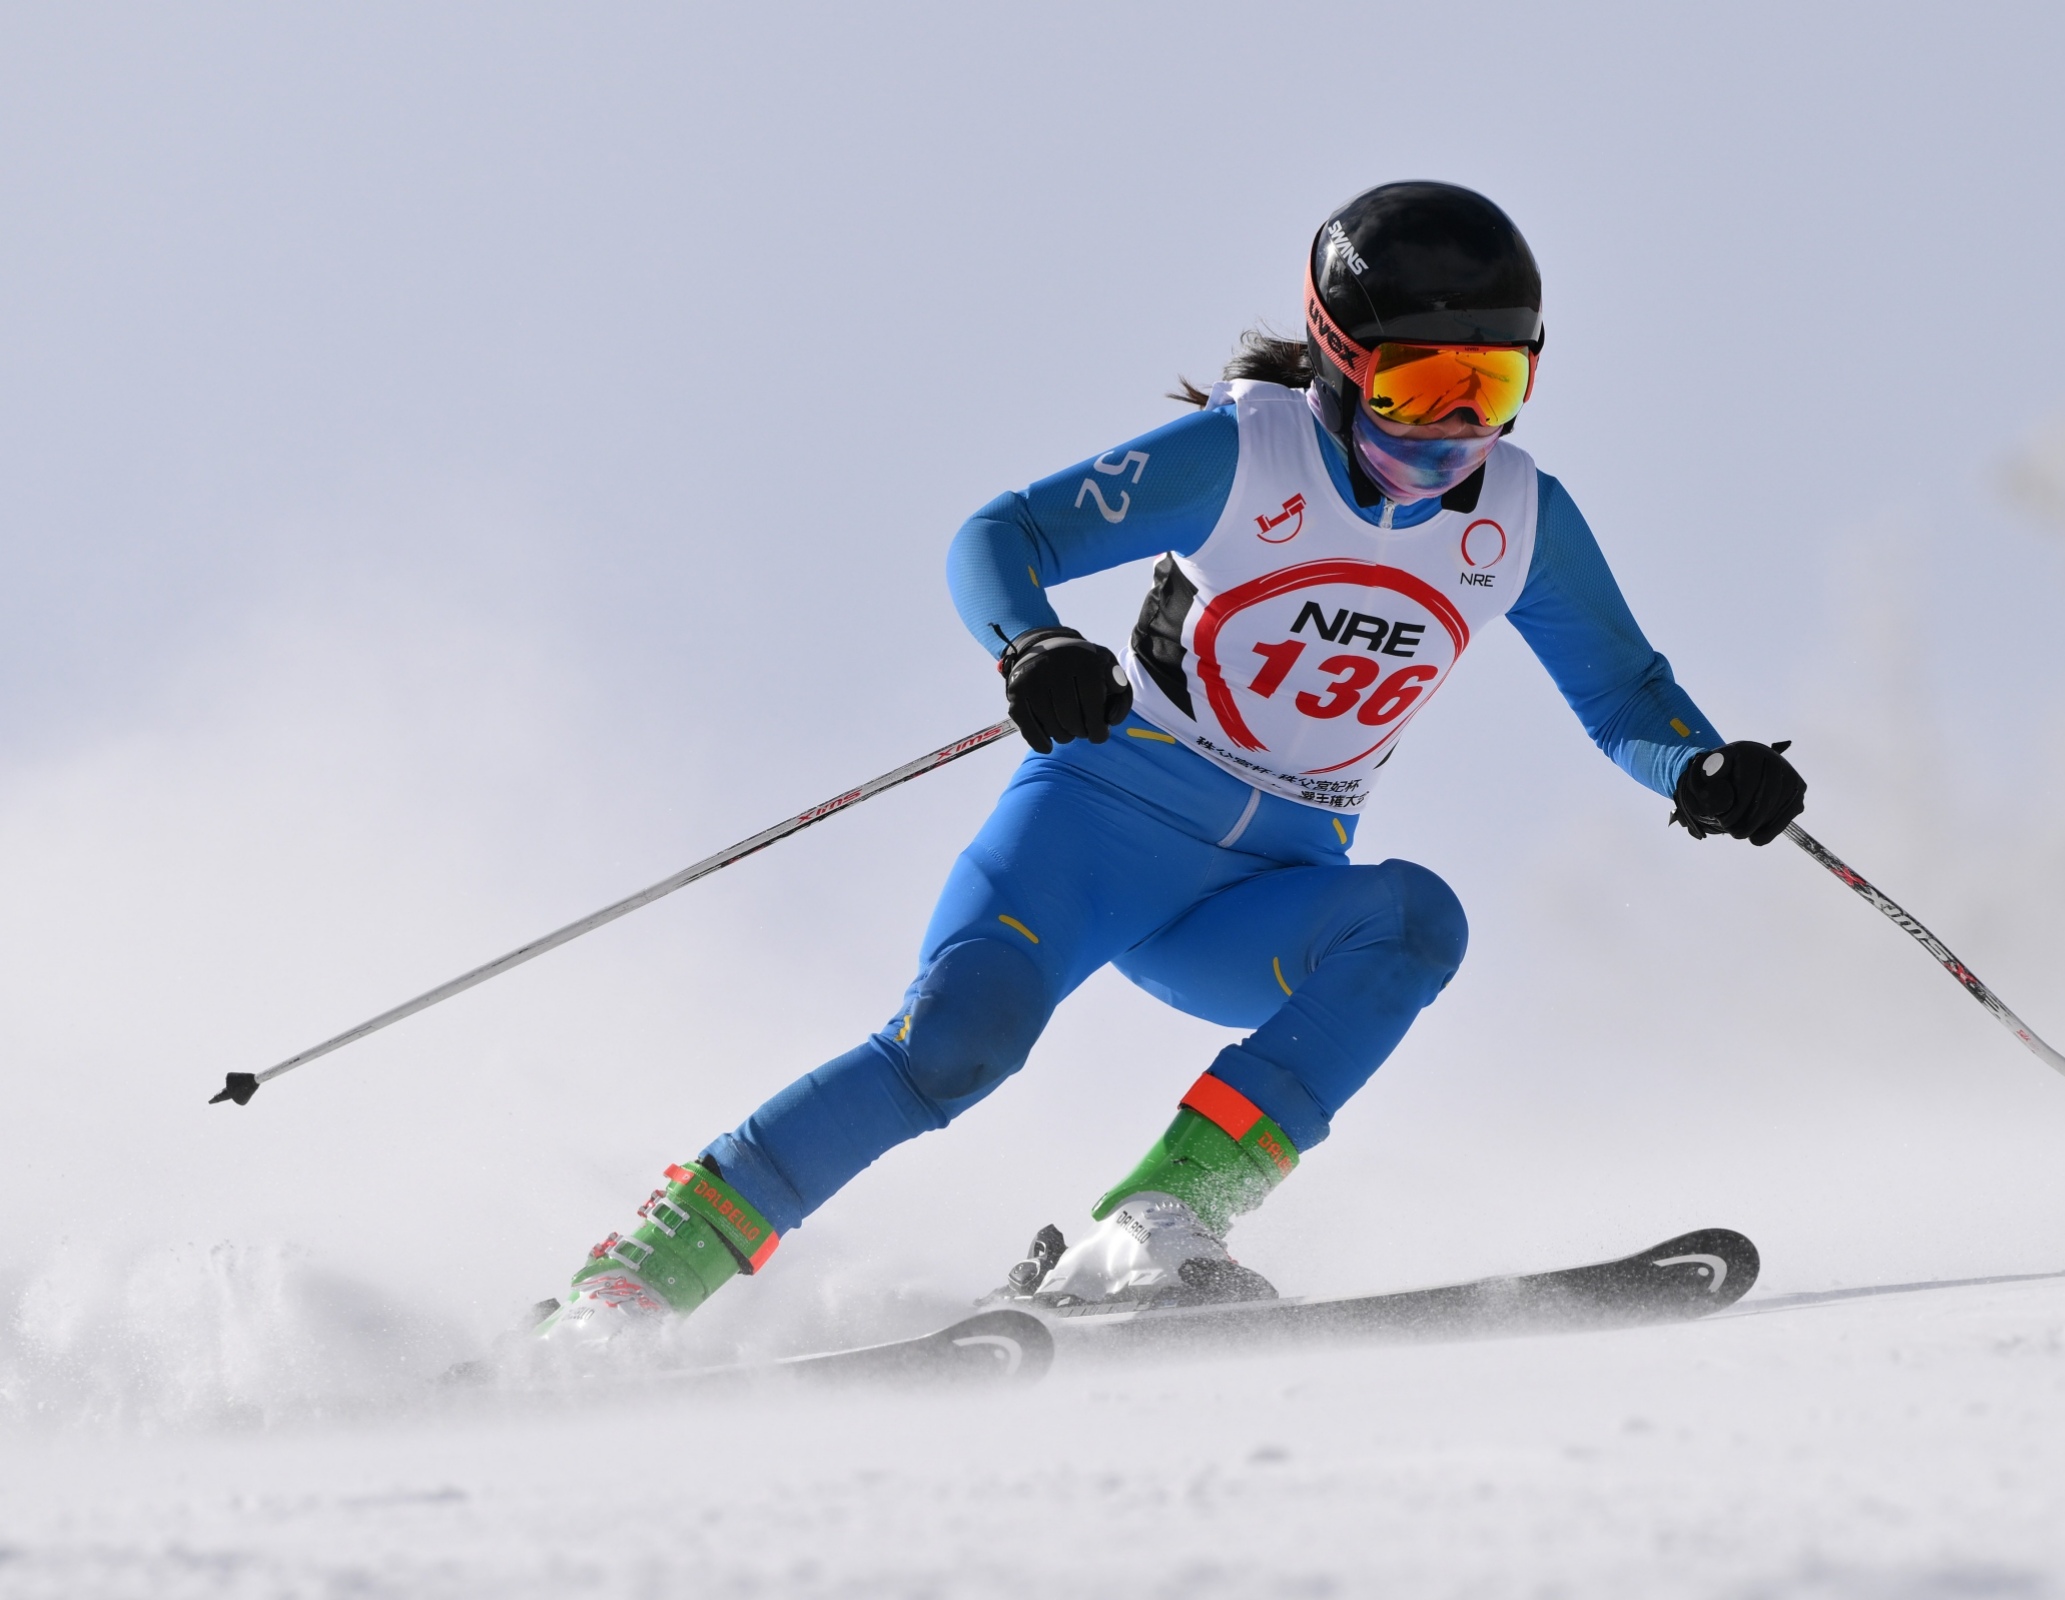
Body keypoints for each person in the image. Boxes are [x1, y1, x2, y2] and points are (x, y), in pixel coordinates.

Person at [537, 181, 1806, 1339]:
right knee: (958, 1045)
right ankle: (636, 1278)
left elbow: (1623, 691)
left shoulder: (1520, 519)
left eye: (1495, 385)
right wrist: (1033, 643)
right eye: (1420, 389)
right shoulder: (1247, 456)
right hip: (1096, 832)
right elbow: (1000, 534)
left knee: (1417, 923)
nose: (1458, 428)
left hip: (1264, 892)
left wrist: (1700, 768)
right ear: (1339, 360)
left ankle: (1159, 1218)